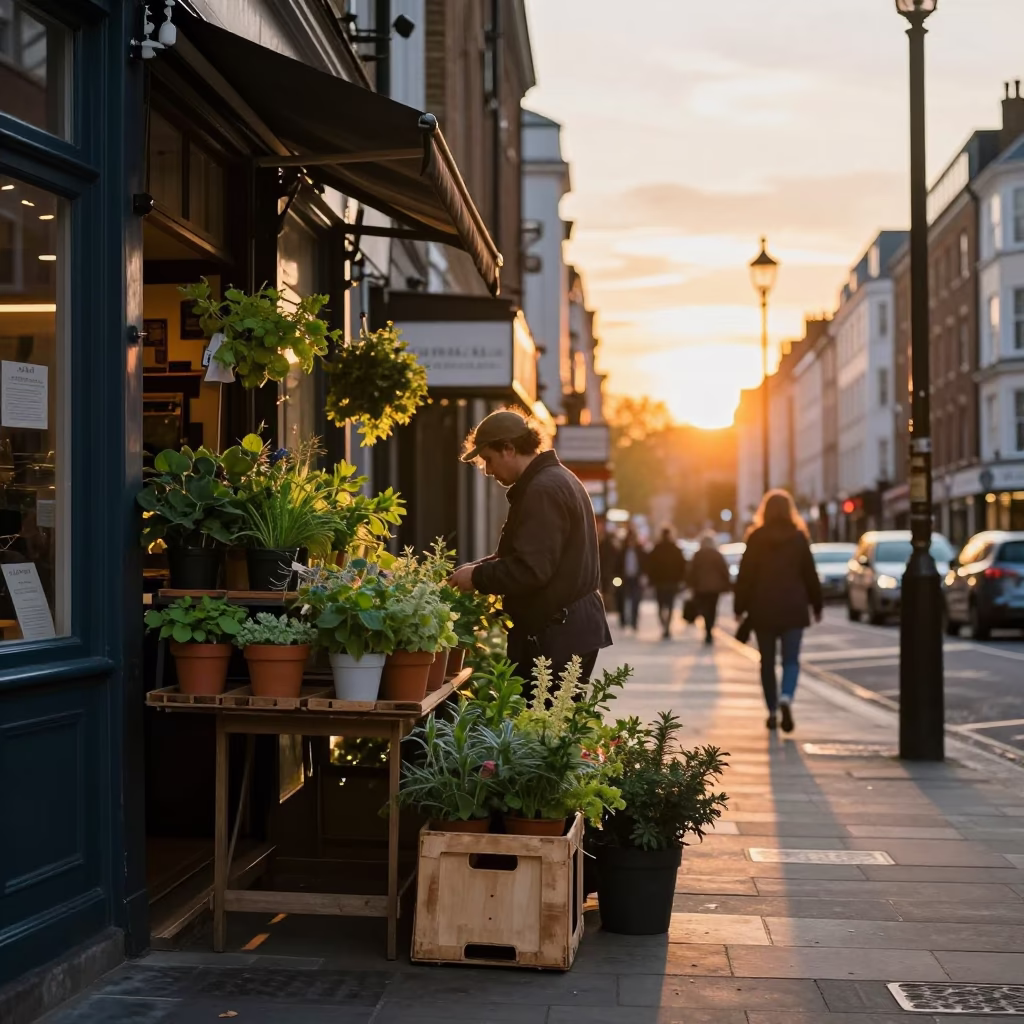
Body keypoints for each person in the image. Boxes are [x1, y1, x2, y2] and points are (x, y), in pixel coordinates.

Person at [447, 409, 612, 695]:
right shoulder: (553, 480)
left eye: (488, 459)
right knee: (551, 729)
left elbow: (531, 569)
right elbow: (529, 557)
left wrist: (477, 577)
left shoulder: (543, 490)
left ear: (509, 449)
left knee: (543, 730)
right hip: (566, 631)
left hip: (557, 636)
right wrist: (476, 570)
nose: (487, 470)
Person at [734, 490, 822, 733]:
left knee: (767, 662)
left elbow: (746, 577)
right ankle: (786, 696)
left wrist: (739, 607)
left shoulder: (756, 538)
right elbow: (810, 575)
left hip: (763, 608)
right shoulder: (798, 537)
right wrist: (817, 605)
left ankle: (772, 710)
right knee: (791, 660)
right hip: (794, 607)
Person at [688, 532, 731, 644]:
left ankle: (708, 629)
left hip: (701, 587)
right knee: (712, 609)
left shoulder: (698, 555)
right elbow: (724, 570)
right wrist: (727, 584)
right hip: (714, 588)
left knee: (704, 608)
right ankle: (709, 629)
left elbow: (692, 571)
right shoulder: (717, 555)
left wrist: (690, 584)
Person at [645, 526, 688, 639]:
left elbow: (650, 565)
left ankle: (665, 625)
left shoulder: (657, 548)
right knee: (669, 605)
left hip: (661, 582)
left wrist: (651, 579)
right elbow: (682, 565)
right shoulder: (675, 549)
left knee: (661, 605)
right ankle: (667, 626)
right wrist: (680, 580)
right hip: (671, 582)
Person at [615, 527, 646, 631]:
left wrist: (643, 575)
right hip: (624, 578)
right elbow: (617, 565)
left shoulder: (640, 550)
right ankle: (623, 620)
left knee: (635, 600)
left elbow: (644, 564)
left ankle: (634, 621)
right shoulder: (622, 551)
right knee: (622, 599)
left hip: (636, 578)